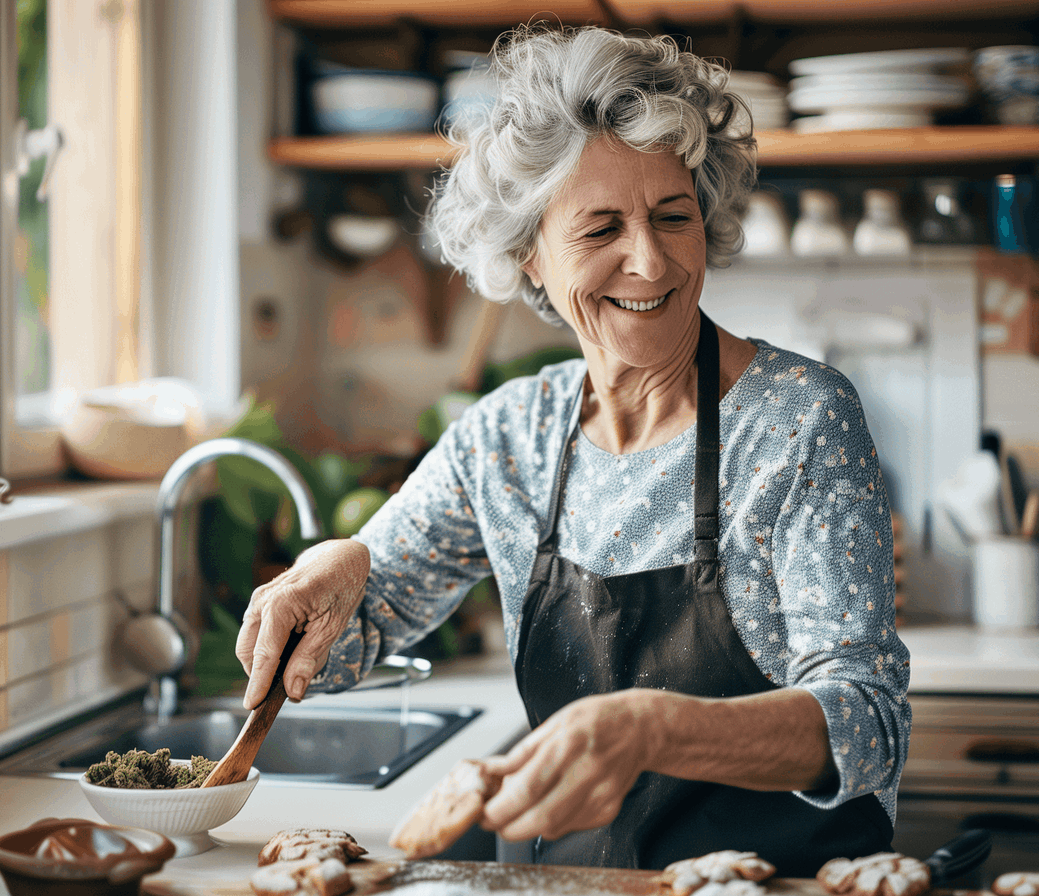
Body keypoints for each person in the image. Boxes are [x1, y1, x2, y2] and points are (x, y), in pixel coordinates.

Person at [235, 25, 911, 874]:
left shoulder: (800, 420)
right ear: (529, 259)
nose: (650, 259)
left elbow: (867, 722)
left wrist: (648, 727)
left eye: (675, 216)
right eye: (600, 231)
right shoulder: (507, 438)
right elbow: (350, 632)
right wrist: (333, 571)